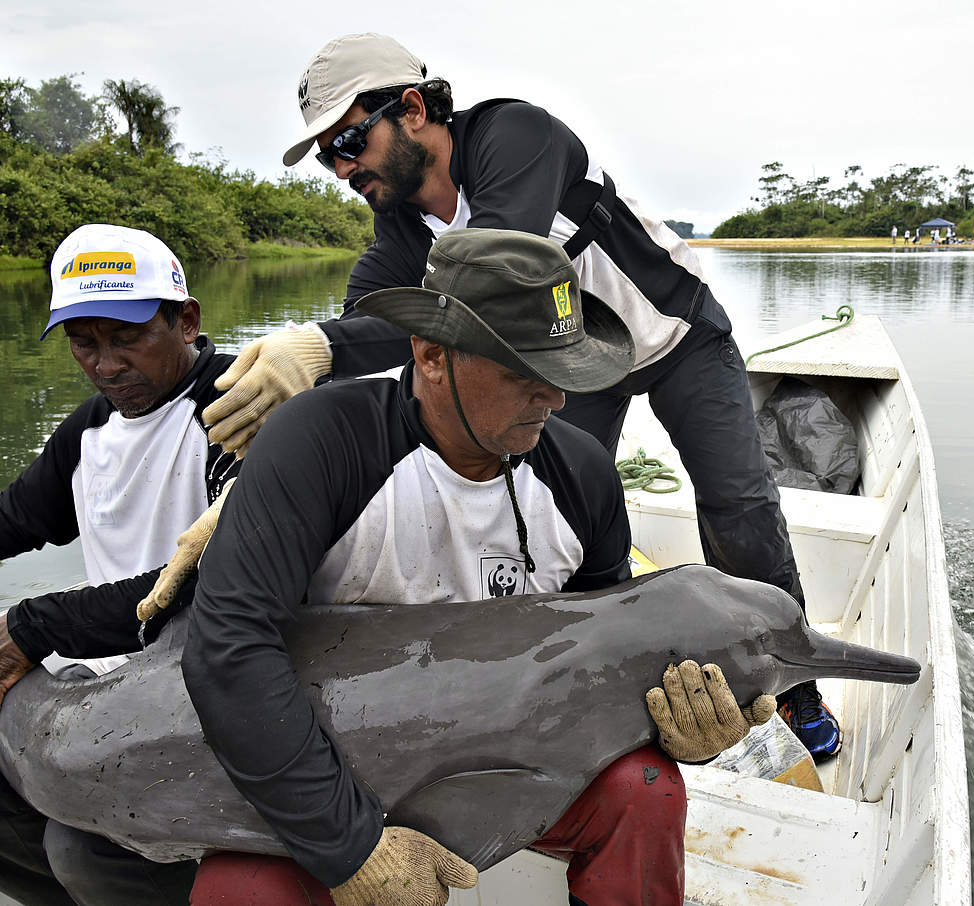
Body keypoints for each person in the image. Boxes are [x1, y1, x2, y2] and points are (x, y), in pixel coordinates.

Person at [197, 31, 839, 759]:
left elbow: (487, 288)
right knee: (560, 513)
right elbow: (383, 332)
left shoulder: (514, 137)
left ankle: (797, 688)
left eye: (350, 139)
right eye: (326, 155)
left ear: (412, 108)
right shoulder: (401, 234)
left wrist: (322, 347)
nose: (343, 168)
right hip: (570, 369)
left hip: (674, 335)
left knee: (739, 505)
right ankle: (590, 691)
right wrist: (257, 479)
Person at [172, 229, 773, 906]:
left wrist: (685, 733)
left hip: (511, 761)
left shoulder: (582, 476)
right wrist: (352, 848)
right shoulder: (322, 442)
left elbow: (614, 655)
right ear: (432, 355)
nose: (557, 399)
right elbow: (229, 649)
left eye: (565, 369)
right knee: (239, 891)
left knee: (647, 791)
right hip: (338, 757)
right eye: (526, 373)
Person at [0, 224, 239, 906]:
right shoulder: (92, 429)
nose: (105, 366)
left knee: (83, 846)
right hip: (116, 686)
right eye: (84, 343)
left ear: (186, 319)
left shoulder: (240, 409)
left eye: (126, 337)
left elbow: (212, 584)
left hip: (219, 688)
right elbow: (17, 517)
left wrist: (35, 623)